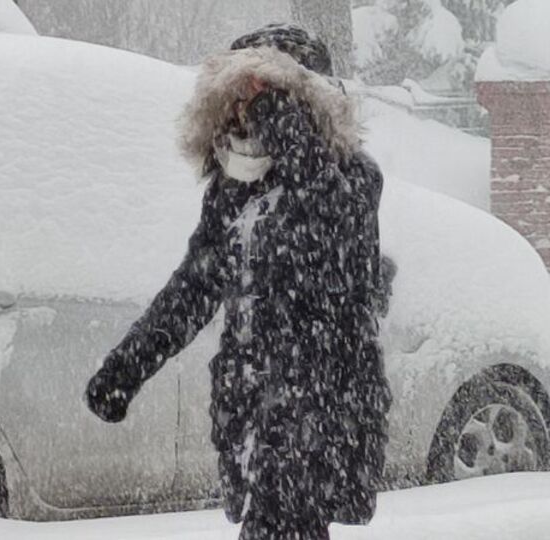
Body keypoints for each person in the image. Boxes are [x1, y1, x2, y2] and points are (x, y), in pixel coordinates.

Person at [85, 24, 393, 540]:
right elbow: (194, 287)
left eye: (268, 94)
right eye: (241, 93)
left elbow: (330, 223)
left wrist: (281, 116)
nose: (249, 108)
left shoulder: (352, 177)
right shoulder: (233, 189)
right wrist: (128, 366)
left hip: (318, 415)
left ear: (305, 100)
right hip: (252, 413)